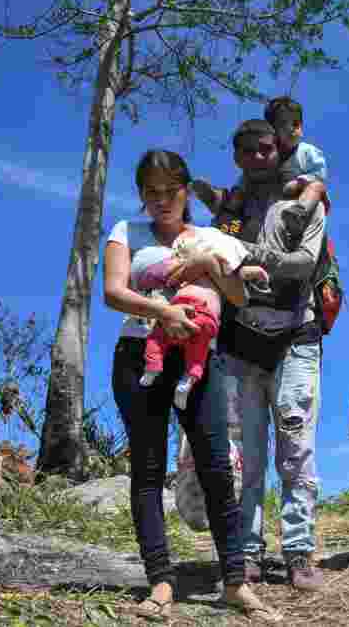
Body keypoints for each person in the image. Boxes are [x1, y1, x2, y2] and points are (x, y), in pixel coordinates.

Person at [103, 149, 279, 620]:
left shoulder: (211, 237)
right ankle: (160, 581)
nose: (162, 201)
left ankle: (235, 581)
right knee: (147, 468)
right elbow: (113, 291)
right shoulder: (126, 232)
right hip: (140, 356)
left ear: (186, 191)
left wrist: (209, 263)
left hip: (201, 358)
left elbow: (240, 295)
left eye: (171, 191)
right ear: (141, 195)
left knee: (217, 467)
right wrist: (163, 311)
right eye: (152, 193)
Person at [193, 119, 328, 591]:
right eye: (248, 150)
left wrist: (243, 252)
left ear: (281, 149)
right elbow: (212, 264)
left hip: (296, 337)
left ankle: (299, 551)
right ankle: (246, 551)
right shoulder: (227, 213)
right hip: (239, 343)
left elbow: (301, 268)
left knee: (295, 449)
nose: (258, 157)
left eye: (266, 148)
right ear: (237, 156)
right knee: (245, 454)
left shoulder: (306, 202)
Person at [136, 224, 269, 412]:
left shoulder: (194, 268)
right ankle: (187, 382)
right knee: (197, 355)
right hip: (206, 316)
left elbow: (172, 278)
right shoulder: (217, 270)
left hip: (184, 307)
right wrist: (256, 271)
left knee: (158, 337)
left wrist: (254, 271)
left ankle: (153, 366)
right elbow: (241, 274)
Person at [191, 96, 330, 248]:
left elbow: (318, 174)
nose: (293, 128)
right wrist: (235, 199)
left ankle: (299, 212)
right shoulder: (262, 160)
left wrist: (299, 183)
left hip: (294, 206)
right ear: (273, 131)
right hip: (256, 220)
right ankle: (223, 210)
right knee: (236, 213)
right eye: (284, 124)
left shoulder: (306, 152)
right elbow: (243, 182)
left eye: (297, 123)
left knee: (314, 188)